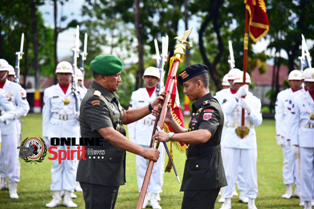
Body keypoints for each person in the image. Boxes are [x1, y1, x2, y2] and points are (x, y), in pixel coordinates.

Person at [76, 55, 160, 209]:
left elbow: (124, 116)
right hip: (97, 172)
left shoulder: (108, 96)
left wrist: (150, 107)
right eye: (116, 75)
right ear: (102, 78)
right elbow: (108, 134)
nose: (120, 79)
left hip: (107, 170)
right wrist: (143, 151)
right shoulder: (94, 102)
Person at [153, 64, 227, 209]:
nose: (185, 91)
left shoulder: (210, 108)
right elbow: (191, 134)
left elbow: (203, 135)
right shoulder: (201, 108)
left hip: (204, 176)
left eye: (187, 86)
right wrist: (170, 120)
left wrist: (169, 136)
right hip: (200, 173)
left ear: (199, 84)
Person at [220, 71, 263, 209]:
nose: (239, 86)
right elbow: (225, 111)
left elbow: (258, 121)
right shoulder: (229, 98)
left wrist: (249, 109)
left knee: (250, 172)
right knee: (228, 171)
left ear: (248, 84)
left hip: (248, 138)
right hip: (231, 137)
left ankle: (251, 200)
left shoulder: (255, 100)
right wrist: (237, 97)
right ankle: (227, 199)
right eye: (237, 84)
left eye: (242, 84)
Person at [43, 61, 83, 208]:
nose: (64, 76)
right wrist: (46, 137)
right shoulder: (49, 92)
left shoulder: (79, 91)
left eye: (67, 74)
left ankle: (67, 196)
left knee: (71, 164)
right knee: (57, 164)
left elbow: (83, 115)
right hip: (55, 131)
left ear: (71, 75)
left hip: (72, 131)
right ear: (57, 75)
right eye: (61, 73)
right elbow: (46, 116)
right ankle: (56, 196)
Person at [128, 66, 165, 209]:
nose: (150, 79)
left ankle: (154, 197)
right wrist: (132, 139)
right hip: (141, 134)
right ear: (144, 78)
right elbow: (131, 116)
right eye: (148, 77)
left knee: (156, 168)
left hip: (157, 134)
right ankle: (143, 196)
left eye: (153, 77)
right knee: (141, 168)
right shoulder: (136, 94)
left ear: (157, 79)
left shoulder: (162, 94)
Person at [215, 68, 247, 204]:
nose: (233, 83)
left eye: (235, 80)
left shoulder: (246, 95)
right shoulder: (220, 94)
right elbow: (220, 112)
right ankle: (225, 191)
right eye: (231, 80)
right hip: (225, 131)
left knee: (242, 165)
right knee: (225, 164)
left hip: (241, 132)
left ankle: (243, 191)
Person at [0, 59, 29, 199]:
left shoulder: (15, 88)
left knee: (11, 157)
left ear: (6, 72)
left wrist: (9, 116)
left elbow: (25, 108)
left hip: (9, 125)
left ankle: (13, 186)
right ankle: (1, 180)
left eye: (2, 71)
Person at [275, 70, 303, 199]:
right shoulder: (282, 95)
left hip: (301, 135)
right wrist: (278, 134)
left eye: (298, 80)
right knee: (288, 162)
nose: (296, 83)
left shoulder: (305, 95)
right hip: (286, 134)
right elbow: (279, 116)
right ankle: (288, 188)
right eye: (293, 80)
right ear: (289, 81)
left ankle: (299, 187)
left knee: (301, 163)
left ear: (302, 81)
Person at [290, 68, 314, 209]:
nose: (311, 85)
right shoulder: (299, 98)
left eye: (313, 82)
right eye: (309, 82)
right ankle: (306, 201)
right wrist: (294, 143)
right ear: (304, 82)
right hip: (305, 137)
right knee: (305, 172)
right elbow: (294, 122)